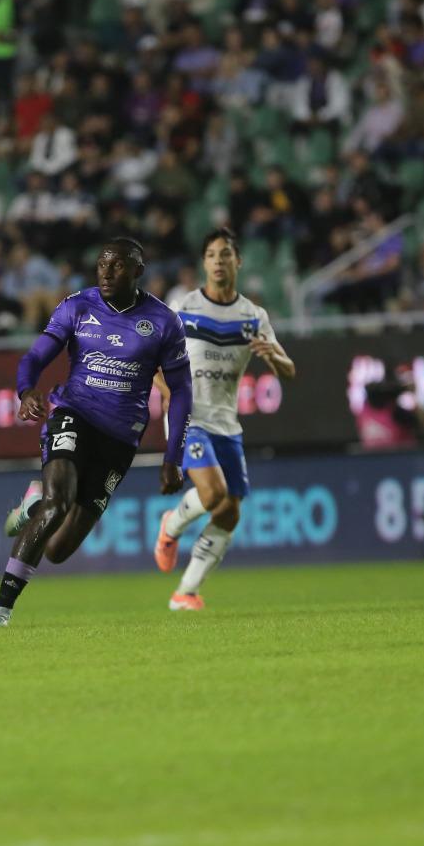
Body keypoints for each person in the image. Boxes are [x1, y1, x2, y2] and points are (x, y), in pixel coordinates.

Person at [0, 238, 192, 628]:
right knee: (58, 502)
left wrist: (173, 457)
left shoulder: (163, 321)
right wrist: (27, 390)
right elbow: (35, 356)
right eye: (102, 264)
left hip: (120, 439)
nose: (107, 272)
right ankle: (0, 610)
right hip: (73, 413)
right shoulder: (77, 306)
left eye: (117, 266)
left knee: (60, 549)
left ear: (138, 271)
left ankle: (33, 504)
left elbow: (181, 392)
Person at [150, 228, 295, 610]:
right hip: (189, 416)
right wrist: (173, 398)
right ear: (204, 263)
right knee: (213, 494)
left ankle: (186, 592)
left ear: (238, 262)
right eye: (212, 254)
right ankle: (171, 525)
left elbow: (289, 369)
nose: (218, 261)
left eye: (225, 254)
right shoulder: (184, 308)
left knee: (229, 512)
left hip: (226, 422)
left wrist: (272, 357)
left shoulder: (253, 316)